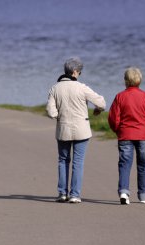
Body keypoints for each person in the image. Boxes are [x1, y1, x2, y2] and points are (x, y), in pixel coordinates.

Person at [47, 57, 106, 203]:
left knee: (63, 160)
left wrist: (58, 116)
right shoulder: (82, 87)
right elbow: (102, 103)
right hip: (82, 129)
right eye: (80, 72)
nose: (79, 74)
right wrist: (98, 110)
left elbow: (50, 110)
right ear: (74, 72)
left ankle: (62, 193)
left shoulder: (55, 88)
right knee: (78, 162)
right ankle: (75, 195)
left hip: (63, 129)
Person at [108, 67, 145, 205]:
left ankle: (124, 192)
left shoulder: (120, 96)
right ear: (139, 80)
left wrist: (117, 130)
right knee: (143, 165)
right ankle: (143, 195)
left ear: (126, 81)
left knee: (125, 164)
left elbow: (113, 118)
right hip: (143, 135)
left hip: (125, 134)